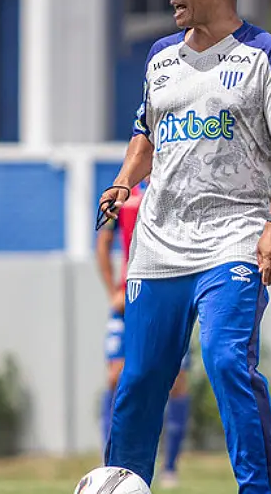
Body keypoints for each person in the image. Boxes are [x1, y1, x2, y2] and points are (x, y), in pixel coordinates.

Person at [96, 0, 271, 494]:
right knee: (140, 380)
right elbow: (145, 136)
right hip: (158, 247)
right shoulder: (160, 59)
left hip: (235, 241)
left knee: (224, 362)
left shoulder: (265, 56)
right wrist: (124, 181)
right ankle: (125, 484)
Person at [95, 178, 191, 489]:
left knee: (176, 381)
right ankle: (110, 461)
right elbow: (102, 244)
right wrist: (112, 290)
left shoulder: (181, 186)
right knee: (115, 376)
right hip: (129, 293)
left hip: (167, 294)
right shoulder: (125, 194)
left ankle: (171, 466)